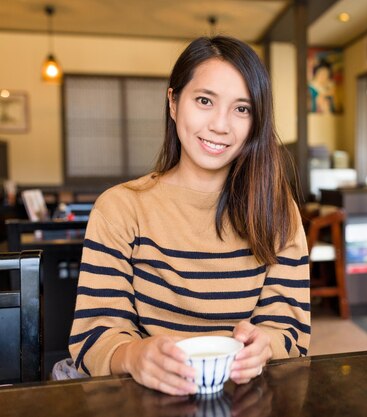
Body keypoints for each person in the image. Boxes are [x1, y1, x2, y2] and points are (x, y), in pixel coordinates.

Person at [68, 36, 311, 396]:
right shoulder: (121, 208)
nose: (220, 125)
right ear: (173, 102)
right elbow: (94, 335)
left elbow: (289, 330)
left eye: (241, 109)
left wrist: (266, 345)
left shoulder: (276, 208)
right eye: (204, 101)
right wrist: (134, 355)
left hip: (247, 398)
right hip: (145, 400)